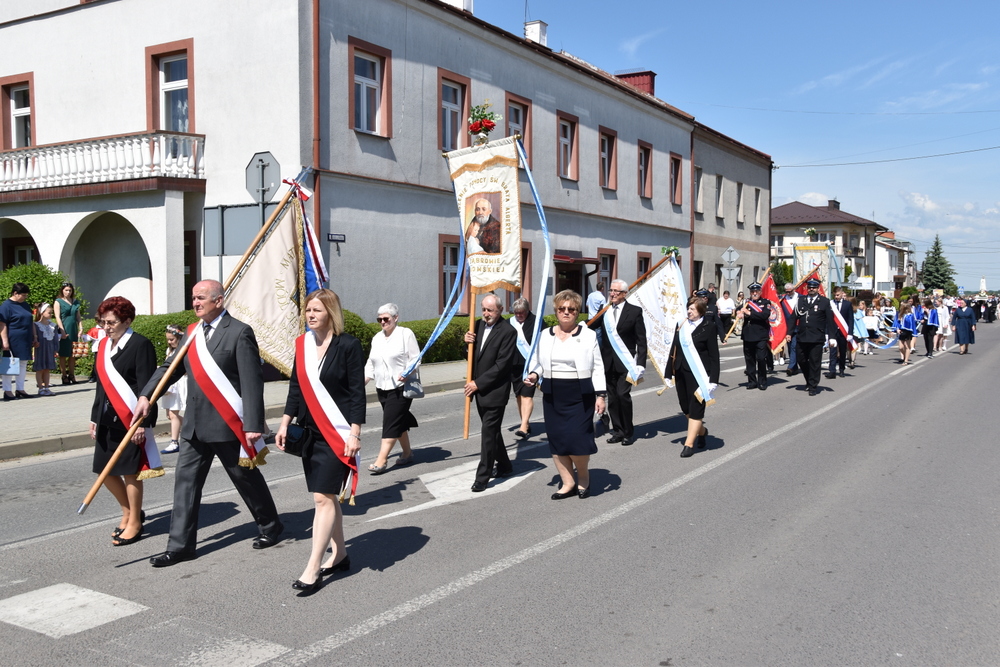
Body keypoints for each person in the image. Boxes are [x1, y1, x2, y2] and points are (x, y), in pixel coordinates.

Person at [134, 279, 283, 567]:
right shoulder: (192, 333)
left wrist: (253, 423)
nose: (195, 302)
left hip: (227, 425)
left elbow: (252, 383)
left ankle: (270, 525)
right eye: (193, 298)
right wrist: (147, 395)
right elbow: (170, 369)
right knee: (185, 485)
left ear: (219, 300)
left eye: (201, 297)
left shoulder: (239, 333)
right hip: (193, 426)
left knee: (245, 479)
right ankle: (180, 547)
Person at [276, 289, 364, 594]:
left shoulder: (348, 345)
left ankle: (313, 567)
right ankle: (339, 554)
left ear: (331, 313)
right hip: (310, 432)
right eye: (308, 311)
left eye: (317, 311)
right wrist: (285, 421)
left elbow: (357, 393)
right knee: (324, 496)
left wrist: (355, 432)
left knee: (321, 498)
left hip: (337, 433)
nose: (311, 315)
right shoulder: (301, 344)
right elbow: (296, 386)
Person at [90, 296, 161, 546]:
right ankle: (128, 511)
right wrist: (94, 417)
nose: (106, 327)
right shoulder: (102, 346)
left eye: (111, 322)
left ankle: (135, 523)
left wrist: (143, 423)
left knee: (130, 473)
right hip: (106, 418)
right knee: (104, 470)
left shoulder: (140, 345)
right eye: (103, 322)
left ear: (127, 320)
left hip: (130, 419)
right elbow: (101, 387)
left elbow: (148, 387)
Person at [523, 290, 605, 499]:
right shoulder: (545, 335)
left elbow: (597, 367)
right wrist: (534, 375)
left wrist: (601, 395)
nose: (566, 312)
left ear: (577, 312)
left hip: (580, 394)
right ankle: (567, 482)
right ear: (556, 311)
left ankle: (583, 477)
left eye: (571, 309)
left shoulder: (588, 335)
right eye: (562, 309)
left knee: (577, 440)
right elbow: (540, 364)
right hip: (553, 393)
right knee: (558, 440)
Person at [463, 294, 517, 492]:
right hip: (478, 390)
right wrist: (466, 342)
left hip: (494, 391)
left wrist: (478, 383)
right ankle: (505, 465)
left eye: (490, 310)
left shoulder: (508, 331)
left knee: (487, 434)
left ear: (500, 310)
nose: (486, 314)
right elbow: (473, 356)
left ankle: (482, 477)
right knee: (492, 432)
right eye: (484, 310)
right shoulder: (476, 325)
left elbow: (502, 365)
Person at [364, 303, 419, 473]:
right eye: (379, 319)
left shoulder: (405, 334)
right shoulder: (377, 338)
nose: (382, 322)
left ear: (396, 318)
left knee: (390, 422)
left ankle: (381, 460)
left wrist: (407, 372)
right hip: (382, 387)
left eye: (386, 319)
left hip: (401, 387)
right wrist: (362, 381)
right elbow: (371, 362)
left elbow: (416, 358)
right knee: (397, 421)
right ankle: (408, 453)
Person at [592, 279, 646, 446]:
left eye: (616, 291)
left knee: (623, 395)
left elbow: (641, 339)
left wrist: (641, 363)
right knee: (613, 398)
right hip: (608, 361)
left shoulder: (635, 311)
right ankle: (618, 431)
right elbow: (592, 325)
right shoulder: (605, 310)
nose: (612, 294)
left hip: (626, 362)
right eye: (611, 291)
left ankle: (628, 432)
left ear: (624, 294)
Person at [670, 298, 720, 458]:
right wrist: (667, 372)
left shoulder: (709, 327)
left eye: (692, 309)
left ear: (701, 311)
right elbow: (674, 349)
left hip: (699, 375)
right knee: (685, 408)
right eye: (688, 308)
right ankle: (702, 432)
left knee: (696, 408)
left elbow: (714, 356)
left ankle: (689, 444)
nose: (689, 311)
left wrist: (713, 379)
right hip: (680, 372)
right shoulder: (681, 324)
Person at [788, 278, 833, 396]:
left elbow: (830, 321)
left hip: (816, 337)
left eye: (814, 287)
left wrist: (831, 337)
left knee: (814, 362)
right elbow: (793, 318)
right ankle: (808, 379)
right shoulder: (801, 301)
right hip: (802, 336)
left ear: (818, 289)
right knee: (801, 359)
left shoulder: (824, 301)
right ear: (807, 288)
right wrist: (789, 333)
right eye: (809, 287)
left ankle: (813, 385)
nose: (811, 289)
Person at [0, 282, 37, 401]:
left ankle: (20, 389)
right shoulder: (6, 306)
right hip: (13, 339)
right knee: (10, 365)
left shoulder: (25, 305)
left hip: (25, 338)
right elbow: (2, 324)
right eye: (23, 295)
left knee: (23, 363)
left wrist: (34, 336)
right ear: (15, 293)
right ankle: (7, 391)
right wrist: (5, 341)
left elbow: (30, 321)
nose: (25, 297)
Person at [509, 298, 537, 439]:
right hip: (514, 365)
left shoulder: (537, 322)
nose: (519, 315)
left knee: (527, 395)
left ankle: (523, 427)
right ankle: (525, 422)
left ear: (527, 310)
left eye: (522, 313)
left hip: (531, 365)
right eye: (516, 313)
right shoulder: (510, 322)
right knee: (519, 395)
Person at [158, 324, 188, 454]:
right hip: (171, 385)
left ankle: (174, 442)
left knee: (173, 414)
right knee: (169, 415)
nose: (169, 342)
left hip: (180, 383)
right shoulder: (169, 351)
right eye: (168, 340)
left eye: (172, 339)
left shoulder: (184, 350)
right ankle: (195, 428)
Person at [736, 282, 771, 390]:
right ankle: (752, 382)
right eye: (752, 292)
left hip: (760, 335)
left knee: (761, 359)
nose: (754, 293)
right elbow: (739, 309)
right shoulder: (747, 302)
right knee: (749, 360)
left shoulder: (765, 303)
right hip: (748, 335)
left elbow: (765, 315)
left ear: (760, 292)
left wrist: (749, 313)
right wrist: (738, 313)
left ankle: (762, 381)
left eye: (756, 291)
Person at [33, 303, 67, 396]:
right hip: (40, 349)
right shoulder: (36, 325)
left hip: (49, 348)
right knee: (40, 369)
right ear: (42, 313)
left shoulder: (53, 325)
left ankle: (47, 387)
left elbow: (55, 338)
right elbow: (34, 337)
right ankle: (40, 388)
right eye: (49, 313)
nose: (51, 315)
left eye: (51, 313)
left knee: (47, 368)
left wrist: (56, 349)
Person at [54, 281, 83, 385]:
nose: (68, 292)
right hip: (64, 329)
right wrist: (61, 330)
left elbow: (78, 316)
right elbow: (57, 316)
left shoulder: (75, 301)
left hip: (73, 329)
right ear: (62, 290)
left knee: (73, 354)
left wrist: (81, 328)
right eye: (66, 290)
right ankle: (64, 375)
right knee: (63, 354)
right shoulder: (58, 301)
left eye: (70, 290)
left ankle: (72, 375)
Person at [780, 283, 800, 376]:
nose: (788, 293)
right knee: (790, 346)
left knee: (794, 347)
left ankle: (791, 367)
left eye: (790, 291)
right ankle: (795, 367)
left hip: (798, 326)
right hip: (787, 327)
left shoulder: (801, 298)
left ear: (794, 289)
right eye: (786, 292)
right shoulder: (782, 299)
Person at [849, 299, 868, 367]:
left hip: (855, 332)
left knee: (853, 346)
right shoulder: (845, 310)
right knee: (848, 348)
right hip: (846, 331)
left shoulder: (857, 312)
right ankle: (849, 359)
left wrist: (863, 334)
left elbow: (860, 324)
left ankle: (852, 361)